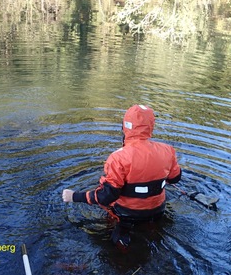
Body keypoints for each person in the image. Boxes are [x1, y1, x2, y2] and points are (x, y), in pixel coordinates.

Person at [62, 104, 182, 252]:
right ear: (151, 125)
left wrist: (74, 196)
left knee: (112, 244)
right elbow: (175, 178)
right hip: (158, 212)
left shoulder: (118, 158)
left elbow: (106, 196)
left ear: (125, 127)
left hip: (126, 216)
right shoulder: (167, 150)